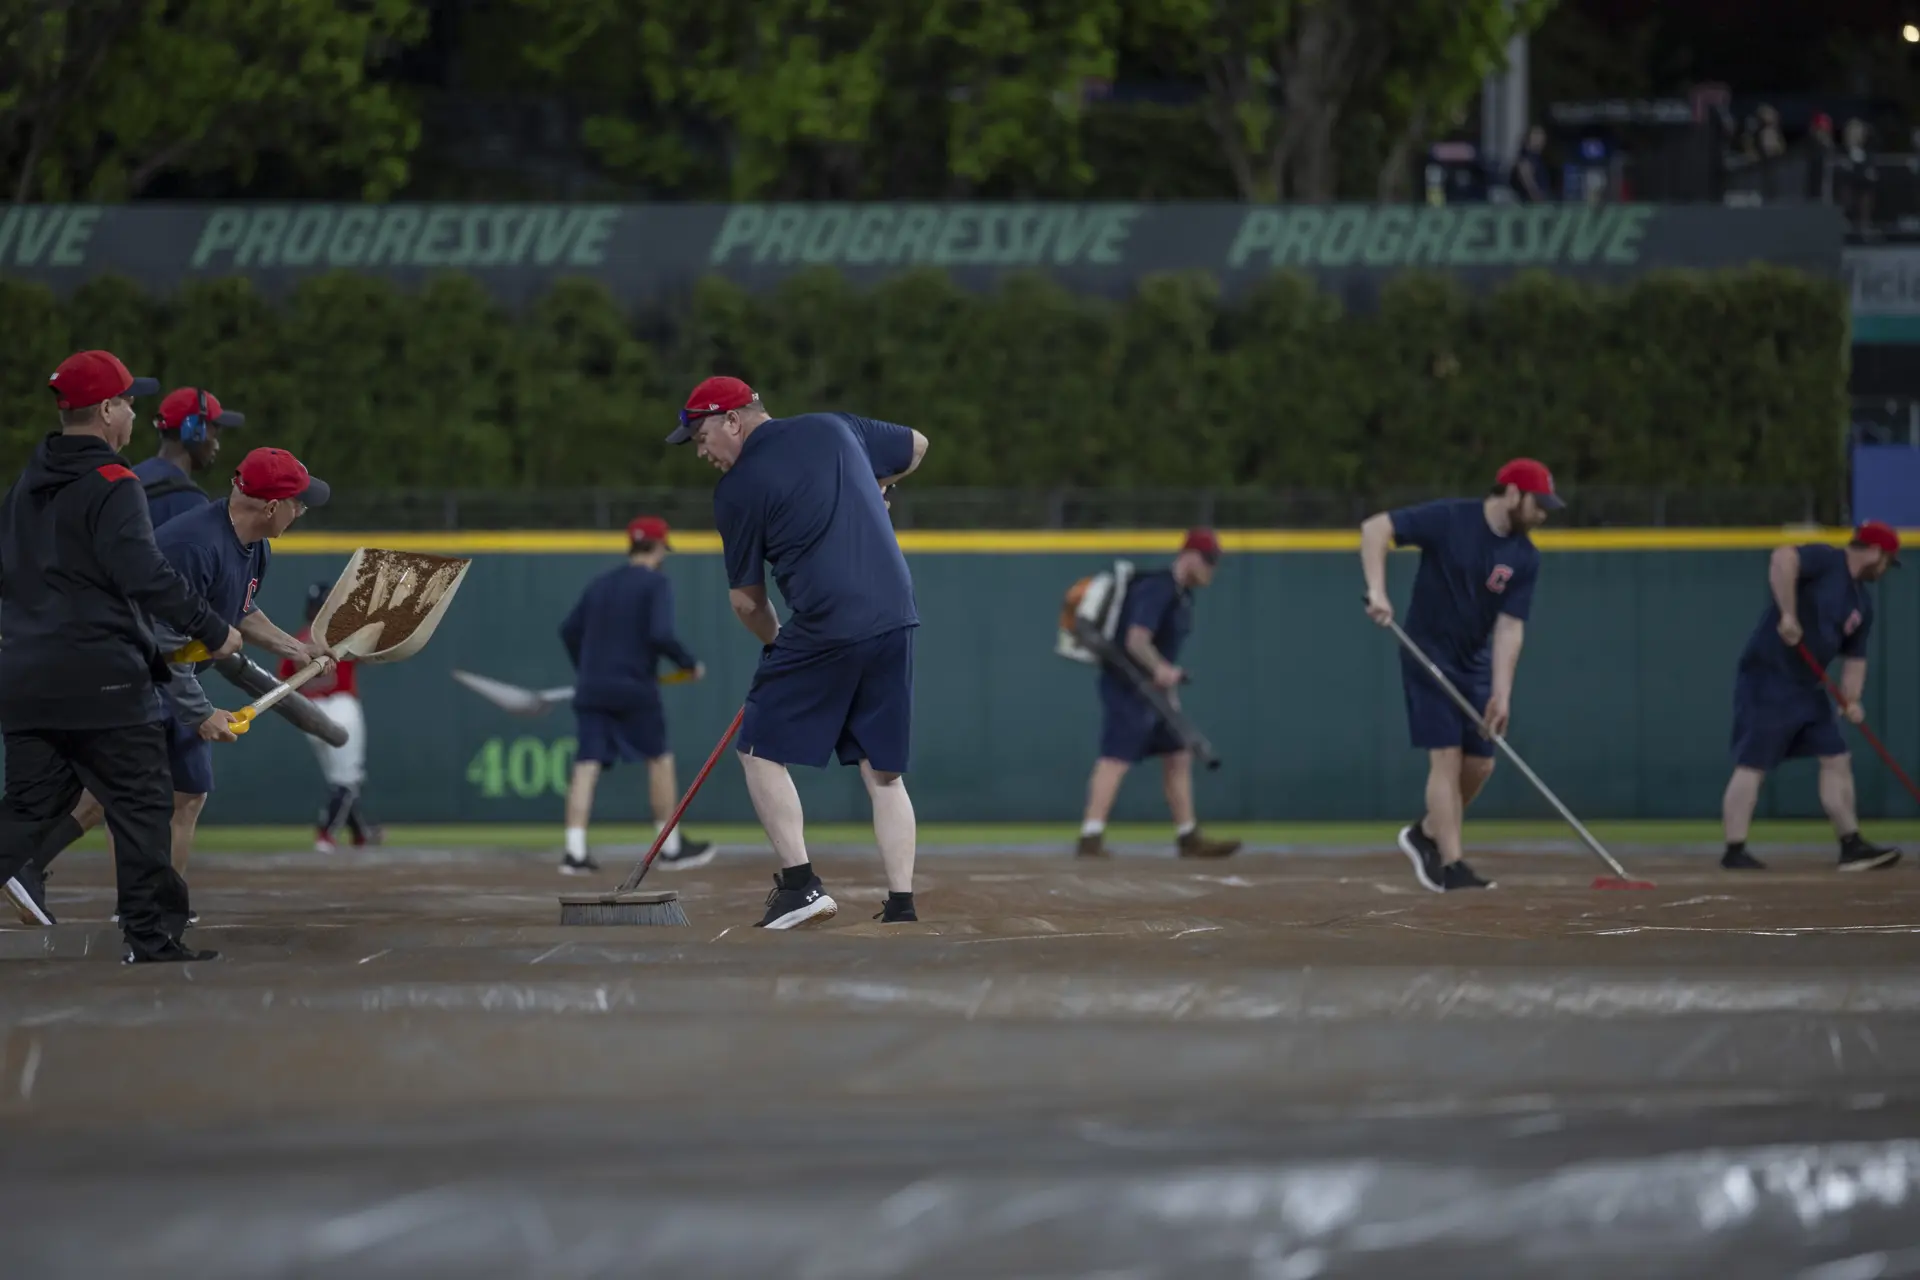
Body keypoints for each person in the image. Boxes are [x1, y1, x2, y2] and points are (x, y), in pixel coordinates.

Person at [0, 350, 242, 961]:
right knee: (141, 802)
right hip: (102, 674)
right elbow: (144, 573)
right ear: (106, 411)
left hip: (25, 675)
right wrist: (212, 628)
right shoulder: (114, 482)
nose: (132, 412)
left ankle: (148, 928)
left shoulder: (25, 484)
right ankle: (150, 935)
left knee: (29, 805)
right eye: (128, 402)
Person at [668, 376, 927, 929]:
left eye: (702, 436)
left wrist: (775, 642)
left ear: (733, 420)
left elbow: (746, 602)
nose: (703, 451)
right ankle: (901, 906)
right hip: (896, 614)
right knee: (884, 773)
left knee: (758, 748)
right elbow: (918, 445)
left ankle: (800, 886)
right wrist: (880, 485)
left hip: (828, 620)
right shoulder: (836, 427)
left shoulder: (737, 490)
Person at [1360, 458, 1558, 893]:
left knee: (1481, 763)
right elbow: (1375, 529)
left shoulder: (1525, 557)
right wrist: (1377, 590)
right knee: (1445, 758)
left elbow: (1510, 627)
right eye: (1538, 504)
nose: (1542, 514)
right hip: (1426, 652)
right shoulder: (1451, 519)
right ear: (1511, 493)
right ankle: (1452, 864)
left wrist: (1502, 693)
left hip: (1474, 664)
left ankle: (1426, 832)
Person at [1719, 523, 1902, 873]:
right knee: (1753, 763)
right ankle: (1735, 849)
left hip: (1808, 686)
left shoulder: (1862, 602)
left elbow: (1855, 659)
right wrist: (1788, 613)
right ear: (1875, 552)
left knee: (1836, 757)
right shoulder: (1825, 560)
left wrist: (1852, 699)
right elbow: (1782, 559)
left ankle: (1851, 843)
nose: (1884, 570)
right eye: (1887, 561)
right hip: (1768, 676)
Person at [556, 514, 711, 876]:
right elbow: (660, 633)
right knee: (659, 760)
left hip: (593, 689)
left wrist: (588, 672)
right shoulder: (655, 584)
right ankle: (670, 847)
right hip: (635, 689)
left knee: (586, 766)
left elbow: (568, 631)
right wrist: (688, 664)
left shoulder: (599, 585)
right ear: (657, 547)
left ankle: (574, 852)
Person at [1075, 529, 1241, 860]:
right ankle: (1090, 837)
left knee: (1178, 755)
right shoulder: (1158, 588)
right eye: (1208, 561)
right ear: (1189, 556)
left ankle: (1188, 835)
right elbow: (1137, 640)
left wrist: (1168, 690)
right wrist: (1161, 670)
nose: (1211, 569)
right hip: (1129, 684)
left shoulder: (1180, 596)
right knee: (1115, 758)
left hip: (1154, 690)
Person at [282, 580, 382, 854]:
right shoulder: (342, 635)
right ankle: (326, 834)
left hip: (309, 711)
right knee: (347, 780)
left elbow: (285, 679)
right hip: (341, 707)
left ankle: (361, 832)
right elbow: (373, 650)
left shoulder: (298, 640)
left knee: (341, 778)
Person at [133, 386, 244, 529]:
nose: (217, 445)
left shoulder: (131, 477)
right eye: (214, 435)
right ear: (194, 432)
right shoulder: (190, 501)